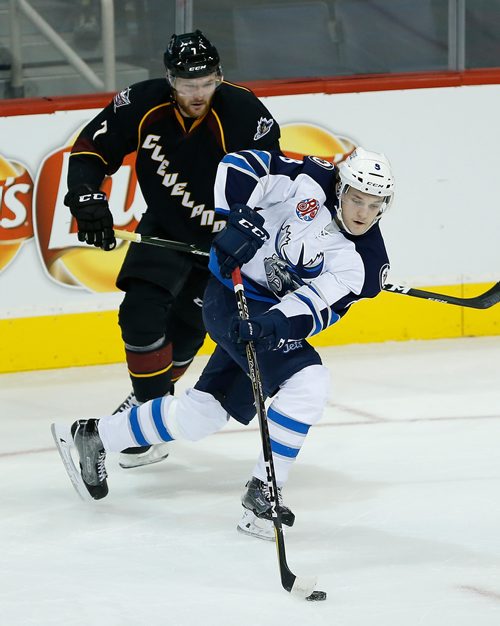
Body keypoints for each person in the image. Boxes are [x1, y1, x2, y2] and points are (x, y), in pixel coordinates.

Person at [53, 146, 395, 540]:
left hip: (262, 319)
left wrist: (273, 323)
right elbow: (242, 164)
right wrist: (239, 217)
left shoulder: (366, 262)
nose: (363, 213)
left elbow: (318, 306)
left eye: (374, 204)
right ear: (341, 188)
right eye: (356, 199)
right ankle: (265, 493)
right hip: (230, 294)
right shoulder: (309, 178)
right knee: (308, 382)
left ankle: (95, 435)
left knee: (203, 415)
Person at [63, 30, 281, 469]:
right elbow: (90, 150)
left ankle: (147, 415)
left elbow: (273, 187)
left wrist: (252, 237)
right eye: (187, 84)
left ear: (219, 76)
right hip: (164, 228)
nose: (197, 93)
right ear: (170, 80)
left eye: (206, 82)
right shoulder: (142, 104)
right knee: (139, 315)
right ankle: (148, 423)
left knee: (186, 332)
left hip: (223, 241)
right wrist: (87, 198)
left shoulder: (243, 112)